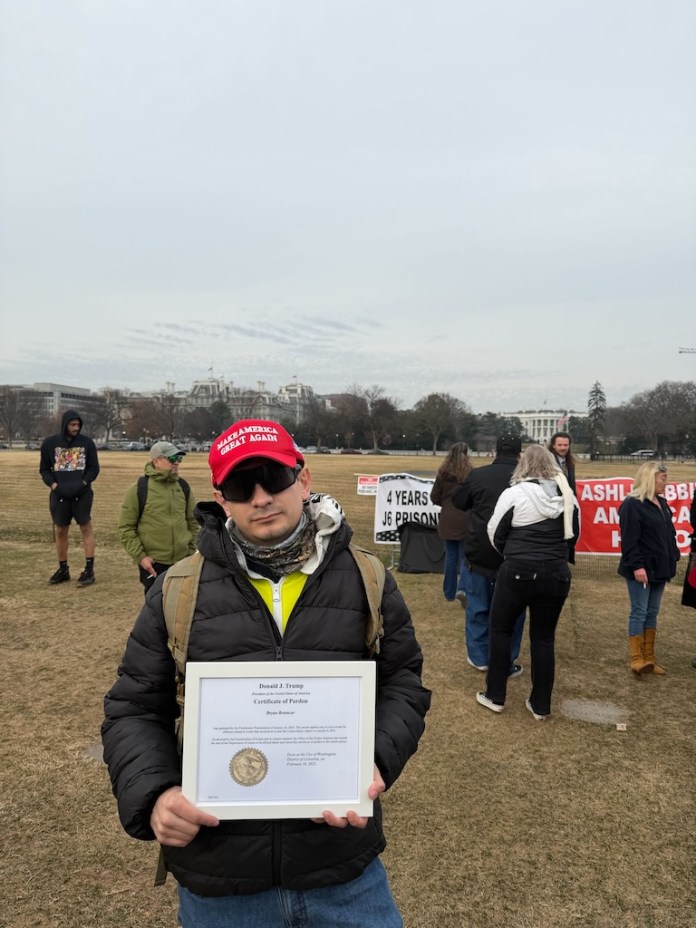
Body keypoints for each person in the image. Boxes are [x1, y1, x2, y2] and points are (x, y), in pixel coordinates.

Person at [102, 419, 430, 927]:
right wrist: (156, 794)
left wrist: (376, 759)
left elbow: (403, 681)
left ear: (302, 479)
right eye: (240, 485)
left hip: (341, 869)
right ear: (221, 497)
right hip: (220, 879)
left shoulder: (367, 577)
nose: (260, 497)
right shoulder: (177, 589)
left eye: (272, 477)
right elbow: (134, 707)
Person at [474, 445, 578, 720]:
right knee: (544, 639)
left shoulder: (515, 494)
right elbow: (573, 536)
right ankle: (540, 704)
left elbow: (494, 532)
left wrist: (512, 555)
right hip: (556, 572)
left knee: (500, 630)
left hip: (519, 569)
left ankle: (496, 694)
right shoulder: (568, 498)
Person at [452, 435, 525, 675]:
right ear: (518, 453)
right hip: (515, 553)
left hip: (481, 551)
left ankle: (479, 656)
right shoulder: (526, 480)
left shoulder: (478, 475)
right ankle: (506, 658)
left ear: (495, 452)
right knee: (513, 613)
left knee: (478, 608)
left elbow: (459, 500)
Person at [618, 461, 679, 676]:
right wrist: (637, 566)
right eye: (663, 478)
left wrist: (673, 556)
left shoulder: (662, 503)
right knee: (639, 611)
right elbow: (629, 540)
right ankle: (637, 659)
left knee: (652, 612)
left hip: (660, 568)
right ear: (650, 478)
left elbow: (668, 534)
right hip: (641, 569)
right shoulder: (632, 504)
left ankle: (650, 658)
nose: (666, 481)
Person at [118, 440, 199, 593]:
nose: (176, 463)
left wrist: (190, 551)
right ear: (156, 461)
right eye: (172, 459)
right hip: (154, 565)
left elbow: (193, 522)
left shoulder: (183, 487)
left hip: (183, 563)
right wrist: (141, 557)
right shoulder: (138, 489)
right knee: (156, 612)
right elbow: (125, 528)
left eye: (179, 459)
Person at [39, 408, 99, 587]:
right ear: (65, 424)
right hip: (60, 496)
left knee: (86, 528)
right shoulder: (50, 444)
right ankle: (63, 569)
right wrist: (54, 485)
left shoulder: (87, 443)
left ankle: (89, 570)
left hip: (82, 494)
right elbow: (44, 469)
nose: (76, 428)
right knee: (61, 531)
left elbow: (94, 468)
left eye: (78, 425)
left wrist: (83, 483)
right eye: (73, 424)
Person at [430, 442, 472, 607]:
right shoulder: (471, 474)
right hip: (466, 519)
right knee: (464, 558)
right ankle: (462, 589)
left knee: (450, 558)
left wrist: (446, 505)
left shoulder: (443, 474)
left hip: (448, 519)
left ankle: (448, 592)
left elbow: (434, 497)